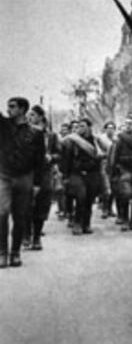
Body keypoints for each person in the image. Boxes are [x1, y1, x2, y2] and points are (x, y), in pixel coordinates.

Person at [0, 97, 45, 268]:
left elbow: (39, 161)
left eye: (12, 107)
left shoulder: (36, 133)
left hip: (25, 177)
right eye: (8, 106)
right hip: (3, 176)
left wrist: (37, 184)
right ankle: (2, 252)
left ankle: (15, 253)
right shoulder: (3, 126)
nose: (8, 109)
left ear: (22, 109)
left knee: (20, 217)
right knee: (1, 213)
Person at [24, 105, 61, 250]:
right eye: (28, 115)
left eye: (33, 115)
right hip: (27, 173)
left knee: (42, 204)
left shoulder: (51, 136)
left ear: (41, 117)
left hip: (45, 173)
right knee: (26, 204)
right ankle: (26, 234)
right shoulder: (24, 133)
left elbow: (60, 154)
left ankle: (37, 237)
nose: (29, 118)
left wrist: (51, 157)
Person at [61, 118, 103, 235]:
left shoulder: (96, 140)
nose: (80, 128)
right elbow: (67, 159)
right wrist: (66, 175)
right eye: (79, 126)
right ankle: (77, 223)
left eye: (83, 126)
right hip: (77, 173)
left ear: (89, 127)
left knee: (89, 199)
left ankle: (86, 223)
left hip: (93, 173)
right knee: (81, 197)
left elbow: (103, 154)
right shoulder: (72, 141)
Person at [111, 116, 132, 231]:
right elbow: (115, 155)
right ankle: (125, 219)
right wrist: (114, 171)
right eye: (126, 124)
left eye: (130, 124)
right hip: (124, 169)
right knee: (125, 194)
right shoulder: (120, 139)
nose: (128, 126)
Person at [97, 121, 117, 219]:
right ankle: (105, 209)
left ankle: (110, 208)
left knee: (113, 188)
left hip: (114, 165)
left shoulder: (116, 139)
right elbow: (98, 151)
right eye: (108, 128)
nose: (110, 130)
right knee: (106, 188)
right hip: (104, 164)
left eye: (112, 128)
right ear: (105, 129)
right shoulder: (100, 139)